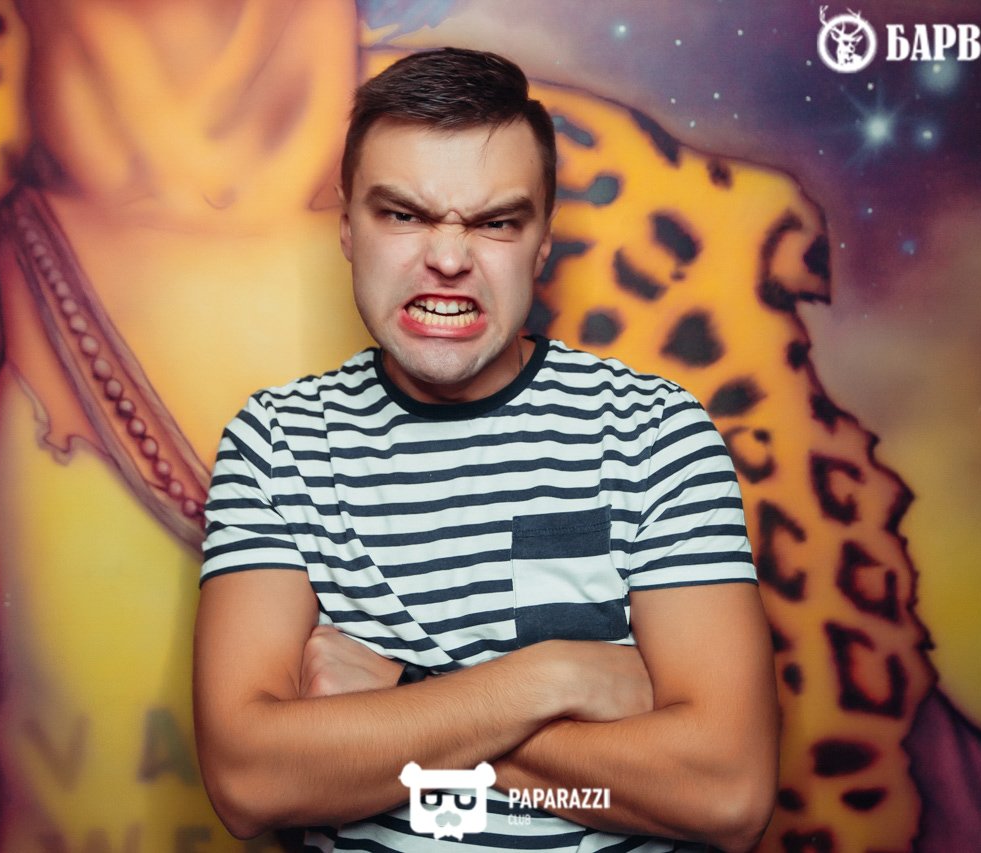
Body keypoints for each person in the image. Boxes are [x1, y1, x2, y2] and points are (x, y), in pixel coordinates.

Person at [193, 47, 778, 853]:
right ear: (347, 228)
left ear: (542, 243)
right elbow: (251, 780)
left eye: (496, 222)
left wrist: (401, 694)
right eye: (404, 215)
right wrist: (555, 678)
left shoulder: (654, 431)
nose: (448, 259)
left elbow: (725, 790)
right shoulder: (277, 443)